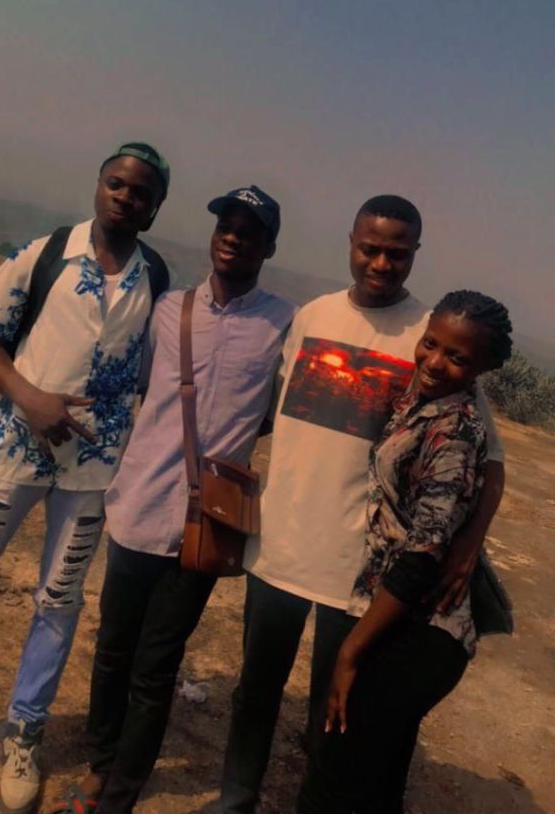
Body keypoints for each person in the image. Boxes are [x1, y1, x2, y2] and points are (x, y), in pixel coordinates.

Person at [221, 195, 505, 813]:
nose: (380, 263)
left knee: (334, 706)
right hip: (279, 544)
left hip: (358, 571)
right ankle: (236, 797)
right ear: (350, 243)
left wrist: (469, 544)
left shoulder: (433, 335)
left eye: (396, 253)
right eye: (369, 248)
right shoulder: (313, 316)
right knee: (256, 690)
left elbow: (491, 463)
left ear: (414, 254)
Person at [52, 186, 296, 814]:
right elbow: (140, 386)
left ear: (268, 247)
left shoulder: (283, 326)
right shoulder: (169, 310)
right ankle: (102, 762)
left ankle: (119, 793)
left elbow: (274, 412)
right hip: (138, 506)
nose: (233, 237)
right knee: (113, 649)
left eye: (249, 231)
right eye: (226, 226)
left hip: (206, 526)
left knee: (156, 664)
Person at [0, 142, 170, 814]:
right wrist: (28, 396)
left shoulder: (156, 280)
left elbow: (152, 375)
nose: (125, 196)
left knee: (59, 601)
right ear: (99, 185)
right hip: (12, 447)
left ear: (154, 207)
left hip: (92, 469)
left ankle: (24, 731)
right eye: (116, 183)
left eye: (140, 191)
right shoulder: (46, 253)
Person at [296, 290, 513, 813]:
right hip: (401, 621)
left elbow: (421, 558)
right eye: (430, 344)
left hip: (419, 631)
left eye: (456, 356)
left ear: (482, 366)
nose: (435, 362)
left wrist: (349, 653)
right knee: (376, 782)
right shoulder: (426, 404)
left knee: (333, 777)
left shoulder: (454, 430)